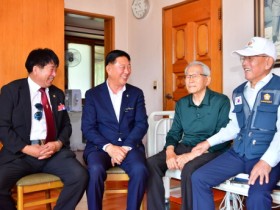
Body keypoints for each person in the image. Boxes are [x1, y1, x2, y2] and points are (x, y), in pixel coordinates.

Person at [192, 37, 280, 210]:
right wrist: (208, 143)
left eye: (251, 58)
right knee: (199, 178)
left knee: (257, 195)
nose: (244, 63)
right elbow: (234, 126)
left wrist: (266, 161)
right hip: (239, 153)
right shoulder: (239, 91)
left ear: (268, 62)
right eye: (243, 58)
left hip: (269, 155)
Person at [0, 48, 88, 210]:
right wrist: (26, 149)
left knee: (80, 176)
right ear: (36, 69)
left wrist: (58, 144)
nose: (55, 74)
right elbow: (3, 128)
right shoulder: (11, 91)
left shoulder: (57, 94)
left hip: (52, 153)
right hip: (21, 154)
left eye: (56, 69)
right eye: (52, 69)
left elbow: (66, 126)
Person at [147, 61, 231, 210]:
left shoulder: (221, 101)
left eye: (195, 76)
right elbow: (174, 132)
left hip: (212, 149)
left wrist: (191, 156)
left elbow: (223, 137)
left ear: (207, 79)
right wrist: (170, 151)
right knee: (151, 163)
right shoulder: (182, 103)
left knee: (189, 169)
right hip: (186, 145)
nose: (190, 79)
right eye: (187, 76)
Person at [82, 49, 149, 210]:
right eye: (122, 67)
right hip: (100, 147)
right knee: (95, 170)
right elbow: (87, 128)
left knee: (140, 170)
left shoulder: (135, 93)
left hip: (129, 147)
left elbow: (141, 124)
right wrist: (110, 148)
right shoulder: (93, 94)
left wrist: (124, 148)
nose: (127, 71)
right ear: (109, 69)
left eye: (129, 67)